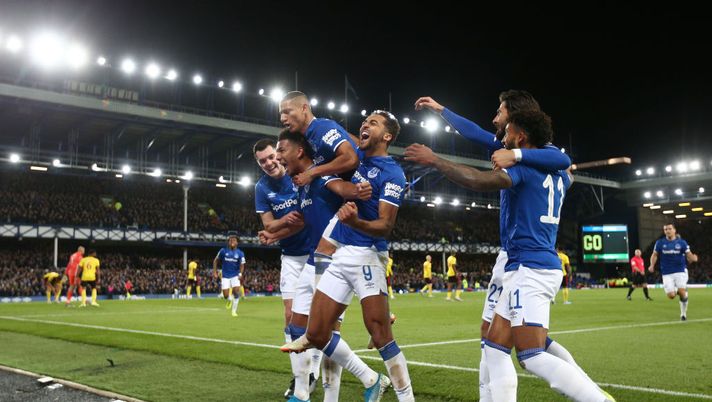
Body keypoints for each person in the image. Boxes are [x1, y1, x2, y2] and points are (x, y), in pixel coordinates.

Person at [408, 110, 613, 401]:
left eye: (507, 132)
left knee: (532, 355)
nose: (501, 137)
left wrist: (436, 161)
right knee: (494, 346)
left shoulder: (524, 169)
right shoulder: (557, 176)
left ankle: (598, 399)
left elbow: (478, 181)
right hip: (529, 267)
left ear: (521, 137)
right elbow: (567, 172)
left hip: (530, 269)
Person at [283, 110, 415, 402]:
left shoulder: (393, 173)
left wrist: (355, 222)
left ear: (388, 136)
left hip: (368, 255)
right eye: (365, 122)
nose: (365, 125)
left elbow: (386, 226)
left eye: (374, 123)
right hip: (341, 254)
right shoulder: (356, 158)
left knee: (379, 334)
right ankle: (368, 377)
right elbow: (345, 148)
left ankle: (407, 398)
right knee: (317, 334)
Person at [265, 128, 372, 402]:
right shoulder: (301, 184)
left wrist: (358, 191)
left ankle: (349, 388)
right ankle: (303, 393)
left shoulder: (322, 177)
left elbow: (346, 189)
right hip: (316, 260)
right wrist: (274, 233)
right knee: (297, 327)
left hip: (336, 262)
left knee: (327, 333)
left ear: (299, 151)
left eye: (281, 151)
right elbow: (302, 220)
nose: (278, 157)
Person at [279, 91, 360, 186]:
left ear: (304, 108)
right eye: (281, 113)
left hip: (365, 190)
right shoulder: (309, 134)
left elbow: (351, 159)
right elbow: (355, 142)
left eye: (287, 112)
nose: (282, 118)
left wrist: (312, 173)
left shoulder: (321, 128)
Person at [648, 223, 698, 320]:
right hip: (667, 273)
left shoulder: (682, 243)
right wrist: (652, 265)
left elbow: (689, 256)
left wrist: (694, 258)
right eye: (666, 229)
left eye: (669, 229)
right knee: (671, 296)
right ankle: (677, 291)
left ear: (674, 230)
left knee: (682, 292)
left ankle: (683, 314)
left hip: (680, 271)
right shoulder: (660, 243)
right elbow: (654, 255)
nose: (668, 231)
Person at [213, 233, 246, 317]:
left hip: (235, 275)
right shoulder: (223, 251)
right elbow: (215, 261)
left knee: (236, 291)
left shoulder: (240, 253)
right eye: (230, 240)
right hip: (225, 276)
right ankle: (229, 299)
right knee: (225, 295)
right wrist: (214, 272)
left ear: (237, 243)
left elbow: (242, 265)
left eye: (234, 240)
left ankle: (234, 311)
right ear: (228, 242)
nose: (232, 241)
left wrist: (240, 273)